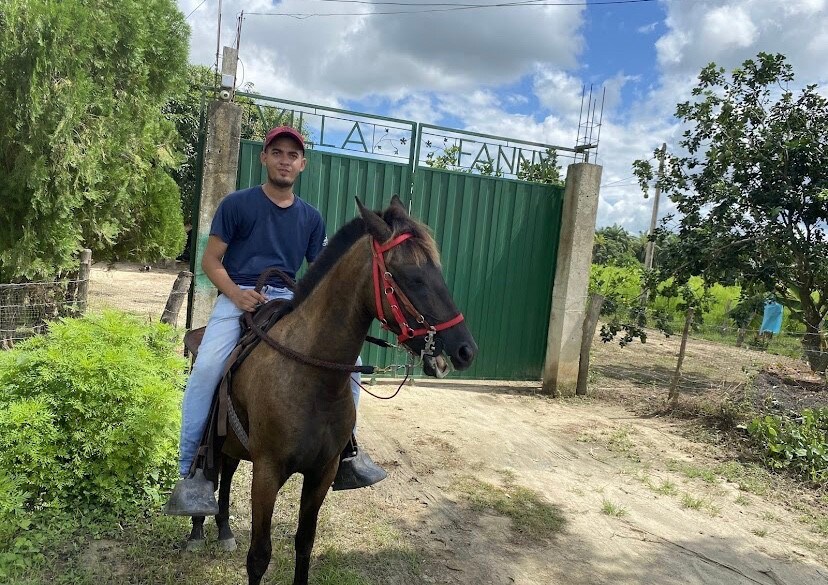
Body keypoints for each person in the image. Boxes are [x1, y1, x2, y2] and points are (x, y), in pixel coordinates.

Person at [168, 126, 386, 514]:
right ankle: (193, 470)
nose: (285, 160)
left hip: (289, 298)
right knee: (208, 367)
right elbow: (209, 261)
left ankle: (346, 451)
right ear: (264, 158)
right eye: (278, 152)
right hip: (239, 298)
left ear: (302, 164)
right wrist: (235, 294)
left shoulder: (311, 217)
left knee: (348, 369)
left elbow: (318, 271)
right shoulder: (237, 205)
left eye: (293, 155)